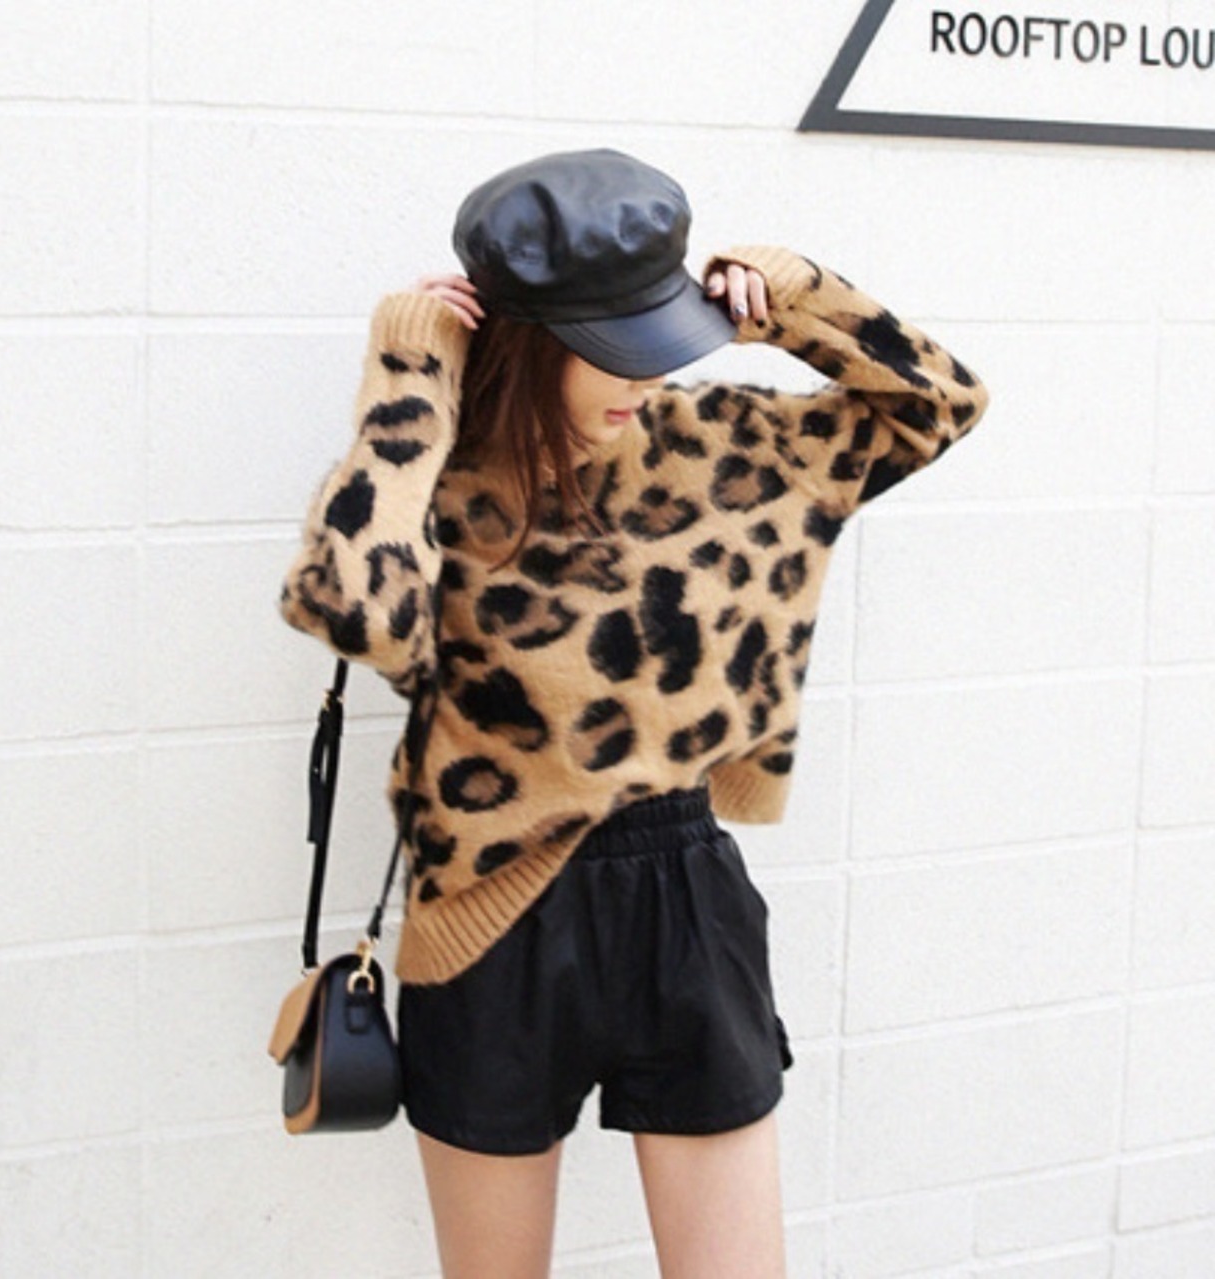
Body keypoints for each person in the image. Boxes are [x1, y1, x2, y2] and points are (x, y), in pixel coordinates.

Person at [279, 147, 989, 1278]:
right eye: (614, 348)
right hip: (491, 921)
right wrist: (412, 371)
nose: (647, 375)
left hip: (685, 896)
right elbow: (353, 608)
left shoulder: (728, 443)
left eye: (660, 337)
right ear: (526, 338)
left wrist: (794, 301)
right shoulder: (446, 478)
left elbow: (938, 402)